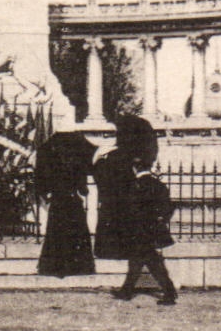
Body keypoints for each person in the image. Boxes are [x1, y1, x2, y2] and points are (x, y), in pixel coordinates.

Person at [112, 147, 178, 305]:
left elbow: (129, 210)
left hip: (138, 231)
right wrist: (161, 220)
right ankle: (126, 291)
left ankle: (169, 293)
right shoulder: (159, 185)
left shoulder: (134, 186)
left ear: (135, 168)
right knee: (139, 261)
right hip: (153, 230)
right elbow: (169, 207)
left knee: (150, 262)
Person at [92, 117, 155, 264]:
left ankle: (108, 251)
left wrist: (99, 160)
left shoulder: (110, 155)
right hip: (127, 201)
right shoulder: (133, 158)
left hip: (111, 200)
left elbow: (99, 175)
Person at [34, 130, 96, 278]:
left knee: (56, 232)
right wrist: (82, 187)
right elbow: (83, 187)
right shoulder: (76, 152)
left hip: (57, 200)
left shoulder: (49, 149)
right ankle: (78, 266)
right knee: (77, 232)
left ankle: (55, 267)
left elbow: (41, 181)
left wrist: (46, 192)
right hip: (73, 199)